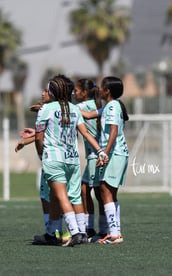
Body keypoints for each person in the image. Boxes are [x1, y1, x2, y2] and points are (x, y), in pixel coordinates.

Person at [34, 75, 108, 247]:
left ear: (52, 92)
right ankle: (59, 233)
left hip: (54, 158)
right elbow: (86, 133)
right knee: (73, 197)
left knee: (60, 196)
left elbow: (39, 136)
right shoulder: (74, 109)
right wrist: (100, 151)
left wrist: (41, 153)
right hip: (73, 160)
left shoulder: (46, 109)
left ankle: (74, 232)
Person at [96, 76, 130, 245]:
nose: (99, 89)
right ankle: (116, 232)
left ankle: (115, 234)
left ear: (107, 91)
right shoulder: (111, 106)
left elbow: (114, 132)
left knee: (104, 189)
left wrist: (104, 154)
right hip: (118, 153)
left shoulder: (112, 107)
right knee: (110, 192)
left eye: (101, 87)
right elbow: (88, 114)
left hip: (114, 153)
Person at [73, 78, 107, 240]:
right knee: (95, 192)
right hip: (98, 155)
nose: (74, 93)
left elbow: (64, 111)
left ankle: (91, 228)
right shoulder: (98, 105)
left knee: (88, 191)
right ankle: (100, 227)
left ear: (85, 93)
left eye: (77, 90)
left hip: (95, 156)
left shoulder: (80, 107)